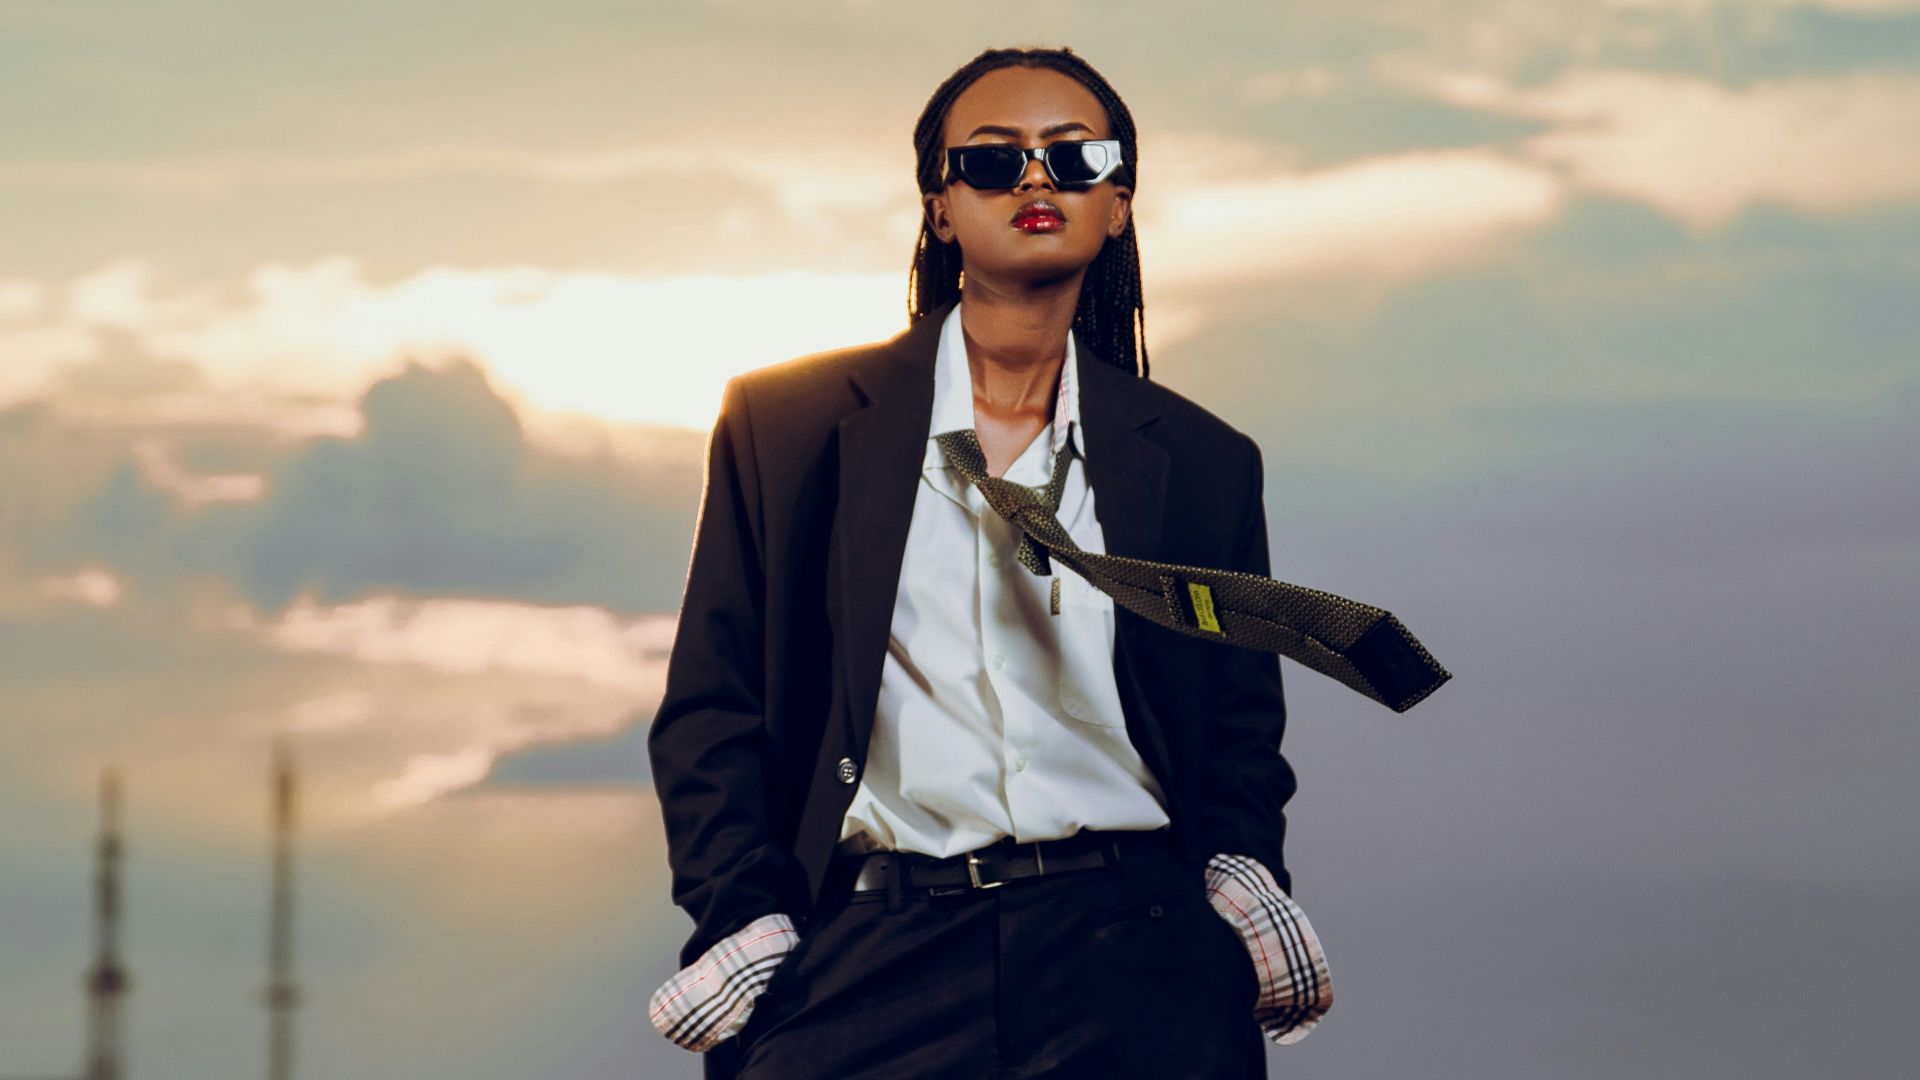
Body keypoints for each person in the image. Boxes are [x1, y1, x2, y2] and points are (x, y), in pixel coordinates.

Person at [647, 45, 1331, 1080]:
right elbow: (713, 702)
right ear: (938, 206)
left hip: (1137, 960)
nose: (1036, 183)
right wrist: (746, 918)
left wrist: (1235, 895)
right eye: (993, 161)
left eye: (1074, 157)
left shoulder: (1202, 463)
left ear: (1119, 204)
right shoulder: (788, 426)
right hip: (866, 959)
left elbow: (1240, 728)